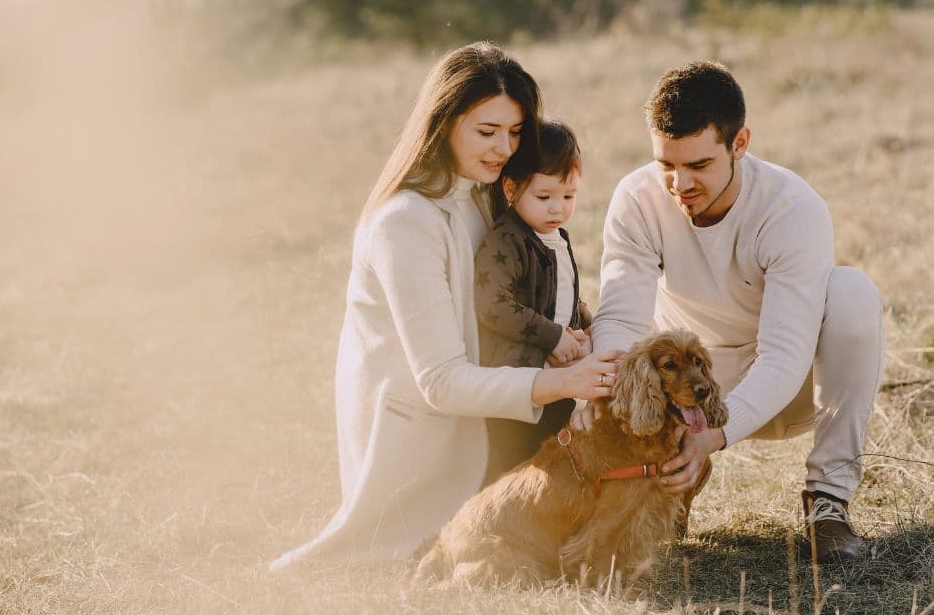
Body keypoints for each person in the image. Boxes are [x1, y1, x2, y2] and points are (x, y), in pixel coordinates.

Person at [270, 42, 620, 570]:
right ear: (444, 122)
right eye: (486, 132)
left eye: (515, 132)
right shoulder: (405, 222)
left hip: (496, 419)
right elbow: (441, 380)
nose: (504, 147)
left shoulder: (486, 195)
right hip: (426, 443)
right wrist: (567, 383)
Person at [587, 61, 885, 563]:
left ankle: (828, 502)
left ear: (739, 143)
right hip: (685, 384)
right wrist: (614, 401)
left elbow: (785, 353)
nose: (679, 183)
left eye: (699, 165)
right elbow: (620, 318)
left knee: (853, 292)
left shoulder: (791, 207)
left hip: (787, 386)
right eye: (667, 164)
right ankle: (666, 475)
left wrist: (714, 435)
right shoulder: (636, 199)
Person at [475, 120, 593, 485]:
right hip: (516, 385)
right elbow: (493, 303)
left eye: (568, 197)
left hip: (557, 380)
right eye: (544, 197)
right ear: (511, 188)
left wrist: (586, 326)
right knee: (510, 466)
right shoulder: (507, 240)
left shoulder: (555, 235)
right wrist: (554, 336)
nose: (557, 208)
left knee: (553, 458)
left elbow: (563, 293)